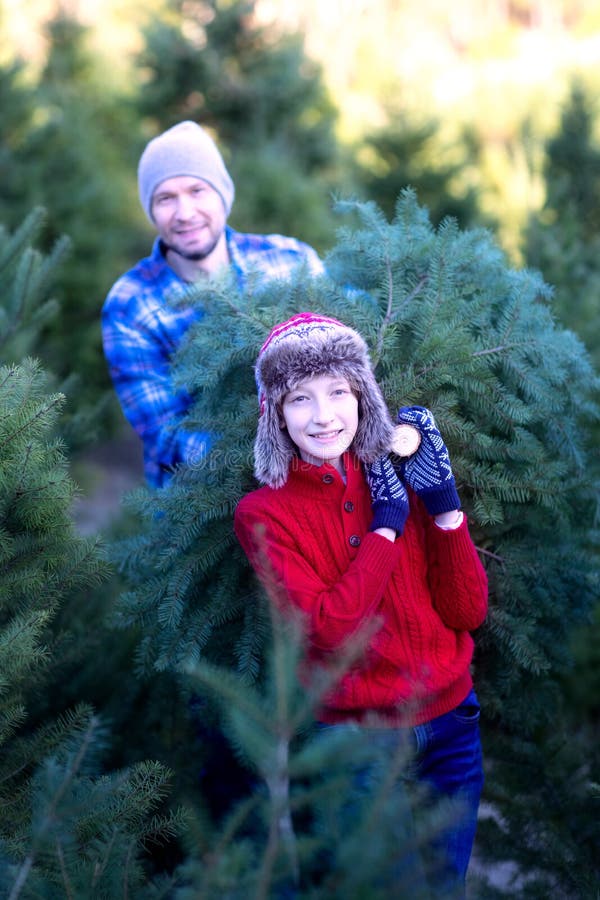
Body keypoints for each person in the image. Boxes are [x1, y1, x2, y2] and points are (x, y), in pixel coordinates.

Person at [233, 311, 489, 896]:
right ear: (275, 413)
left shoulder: (393, 470)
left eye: (338, 392)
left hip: (451, 725)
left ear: (363, 397)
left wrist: (443, 506)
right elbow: (329, 630)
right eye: (300, 398)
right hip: (357, 740)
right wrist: (386, 530)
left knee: (443, 886)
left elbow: (467, 612)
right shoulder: (263, 515)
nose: (323, 416)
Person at [102, 121, 324, 487]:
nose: (185, 212)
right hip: (204, 507)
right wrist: (281, 458)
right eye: (165, 198)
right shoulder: (130, 306)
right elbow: (168, 435)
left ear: (222, 194)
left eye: (197, 190)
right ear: (151, 211)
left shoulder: (291, 260)